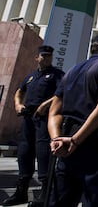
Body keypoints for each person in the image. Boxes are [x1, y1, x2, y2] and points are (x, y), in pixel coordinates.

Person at [47, 32, 98, 207]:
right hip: (93, 144)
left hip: (66, 146)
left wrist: (56, 139)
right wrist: (76, 141)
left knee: (62, 201)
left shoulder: (71, 71)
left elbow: (54, 111)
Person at [2, 45, 65, 206]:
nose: (47, 58)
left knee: (43, 153)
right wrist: (17, 104)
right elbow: (19, 91)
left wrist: (45, 105)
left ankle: (45, 193)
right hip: (28, 119)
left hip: (44, 119)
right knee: (24, 152)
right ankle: (21, 191)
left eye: (49, 56)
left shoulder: (57, 75)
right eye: (43, 56)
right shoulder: (30, 77)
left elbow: (63, 91)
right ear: (37, 57)